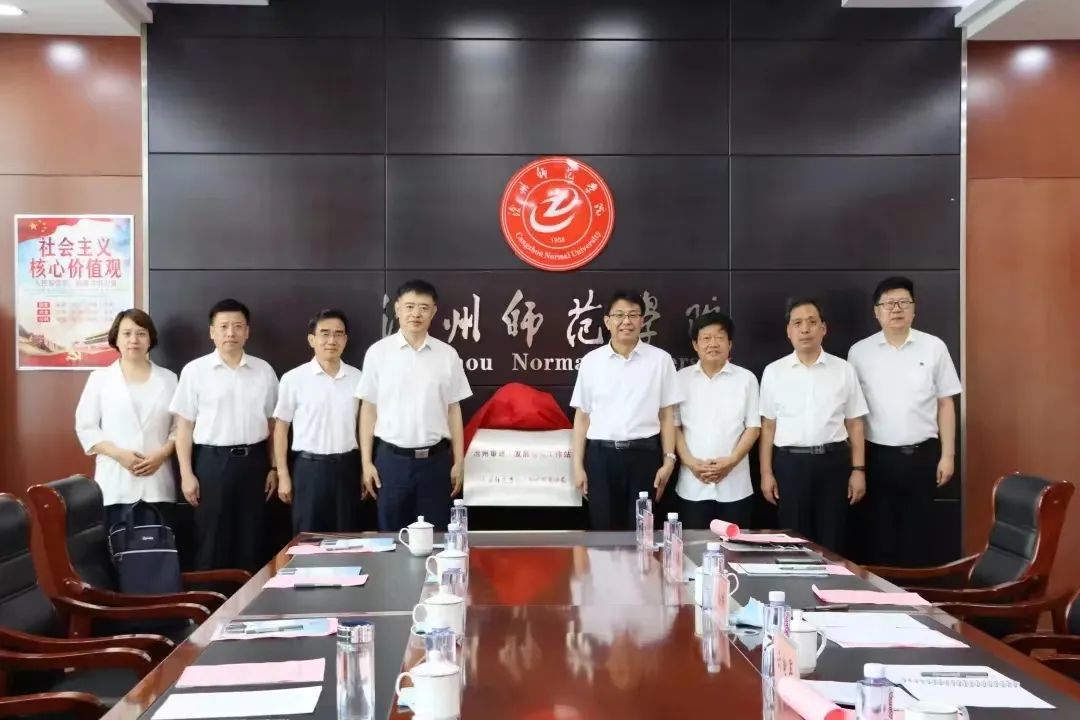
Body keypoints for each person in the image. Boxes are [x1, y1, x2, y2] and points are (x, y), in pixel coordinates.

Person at [848, 276, 962, 567]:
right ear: (876, 312)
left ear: (914, 309)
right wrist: (857, 466)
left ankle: (915, 594)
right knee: (878, 533)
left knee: (919, 534)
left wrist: (948, 455)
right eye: (888, 304)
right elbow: (853, 413)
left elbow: (946, 403)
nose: (896, 309)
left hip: (922, 455)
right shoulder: (859, 352)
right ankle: (881, 592)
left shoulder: (934, 347)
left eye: (903, 302)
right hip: (877, 456)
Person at [170, 298, 278, 572]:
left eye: (238, 326)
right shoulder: (195, 371)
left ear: (247, 331)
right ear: (212, 332)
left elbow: (274, 425)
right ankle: (212, 598)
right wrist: (186, 474)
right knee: (211, 538)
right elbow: (184, 427)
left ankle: (251, 598)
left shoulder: (264, 371)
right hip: (211, 463)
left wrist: (274, 467)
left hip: (254, 463)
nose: (231, 333)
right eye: (224, 326)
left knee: (253, 537)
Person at [357, 279, 472, 531]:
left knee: (437, 536)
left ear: (433, 312)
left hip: (436, 462)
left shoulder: (447, 355)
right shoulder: (378, 353)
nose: (415, 314)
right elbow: (368, 410)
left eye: (423, 307)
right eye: (409, 307)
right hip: (391, 462)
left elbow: (454, 410)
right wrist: (366, 462)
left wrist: (459, 461)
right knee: (391, 536)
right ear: (397, 309)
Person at [759, 298, 868, 551]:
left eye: (811, 322)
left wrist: (858, 470)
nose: (805, 329)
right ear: (788, 331)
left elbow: (855, 424)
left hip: (834, 463)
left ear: (823, 328)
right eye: (797, 323)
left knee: (833, 538)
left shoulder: (843, 370)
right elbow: (768, 427)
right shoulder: (774, 372)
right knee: (794, 540)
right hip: (790, 465)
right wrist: (766, 473)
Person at [570, 290, 682, 531]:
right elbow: (582, 418)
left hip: (644, 457)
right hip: (601, 458)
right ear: (607, 321)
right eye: (619, 315)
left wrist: (669, 461)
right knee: (602, 532)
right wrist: (577, 465)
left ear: (642, 320)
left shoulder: (660, 360)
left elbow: (667, 416)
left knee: (641, 533)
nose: (626, 321)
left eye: (633, 315)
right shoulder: (591, 361)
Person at [75, 309, 178, 531]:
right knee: (117, 547)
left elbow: (180, 428)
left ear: (150, 339)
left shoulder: (169, 379)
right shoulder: (100, 379)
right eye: (127, 333)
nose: (134, 340)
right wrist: (119, 455)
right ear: (116, 338)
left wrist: (161, 455)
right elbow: (85, 426)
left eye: (141, 333)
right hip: (115, 483)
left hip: (157, 482)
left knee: (158, 548)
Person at [273, 309, 362, 535]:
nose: (332, 340)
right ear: (311, 339)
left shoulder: (358, 378)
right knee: (308, 538)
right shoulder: (293, 379)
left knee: (347, 537)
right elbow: (281, 428)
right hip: (308, 469)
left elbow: (364, 427)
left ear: (345, 339)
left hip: (347, 468)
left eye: (338, 334)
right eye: (324, 333)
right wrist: (283, 474)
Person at [674, 312, 760, 530]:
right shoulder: (680, 379)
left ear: (730, 344)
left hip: (735, 486)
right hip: (692, 486)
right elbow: (674, 427)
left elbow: (753, 427)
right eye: (706, 338)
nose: (713, 344)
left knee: (735, 547)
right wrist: (692, 464)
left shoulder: (747, 379)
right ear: (695, 345)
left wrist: (730, 462)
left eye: (720, 338)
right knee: (693, 547)